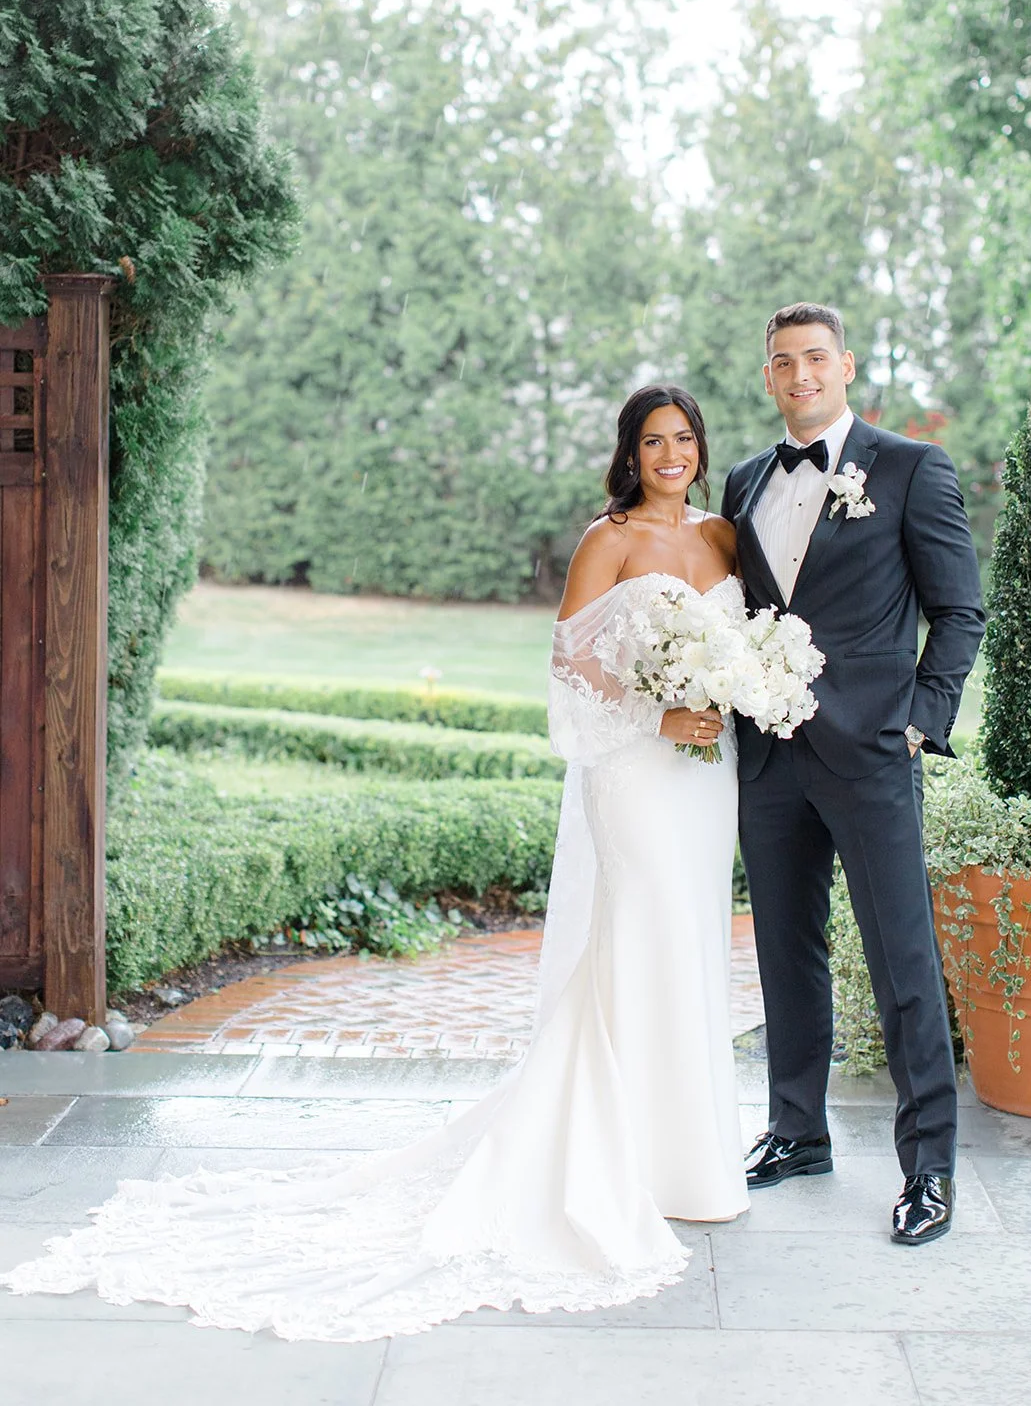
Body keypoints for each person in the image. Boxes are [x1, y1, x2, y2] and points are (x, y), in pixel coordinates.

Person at [1, 384, 748, 1341]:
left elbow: (743, 641)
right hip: (638, 771)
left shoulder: (723, 538)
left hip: (704, 777)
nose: (672, 455)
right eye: (655, 441)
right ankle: (621, 1159)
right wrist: (659, 712)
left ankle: (690, 1157)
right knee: (637, 938)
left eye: (684, 439)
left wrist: (728, 690)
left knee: (690, 942)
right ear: (629, 452)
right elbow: (571, 672)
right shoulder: (608, 541)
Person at [721, 301, 984, 1246]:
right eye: (783, 362)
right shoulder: (745, 481)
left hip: (873, 753)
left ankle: (930, 1171)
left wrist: (920, 723)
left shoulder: (911, 469)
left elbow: (960, 611)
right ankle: (797, 1131)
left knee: (902, 960)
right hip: (768, 755)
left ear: (846, 366)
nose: (800, 376)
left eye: (815, 359)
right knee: (786, 952)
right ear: (768, 377)